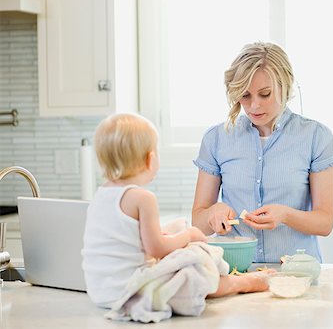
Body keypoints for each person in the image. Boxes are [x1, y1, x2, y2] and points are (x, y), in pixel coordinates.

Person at [81, 113, 271, 313]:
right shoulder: (143, 199)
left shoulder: (101, 195)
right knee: (196, 270)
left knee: (179, 243)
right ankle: (244, 283)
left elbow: (123, 240)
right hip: (132, 290)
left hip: (100, 291)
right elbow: (157, 249)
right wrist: (190, 236)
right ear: (150, 158)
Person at [192, 42, 333, 264]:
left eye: (265, 94)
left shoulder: (316, 136)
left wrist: (285, 215)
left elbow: (325, 222)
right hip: (236, 272)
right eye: (244, 96)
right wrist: (214, 213)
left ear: (285, 86)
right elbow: (198, 223)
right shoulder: (217, 138)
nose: (253, 106)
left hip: (296, 272)